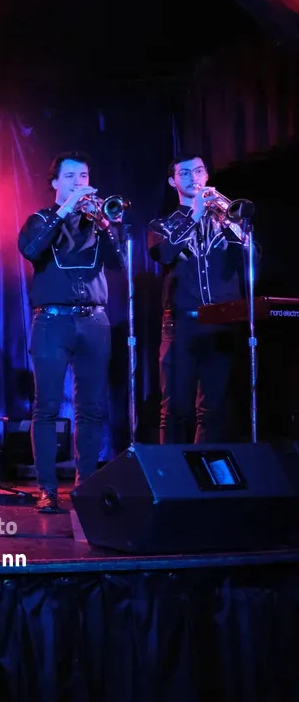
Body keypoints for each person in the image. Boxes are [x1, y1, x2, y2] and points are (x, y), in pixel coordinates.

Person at [18, 152, 125, 513]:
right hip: (52, 321)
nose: (79, 182)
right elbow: (31, 250)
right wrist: (67, 210)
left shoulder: (98, 222)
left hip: (94, 320)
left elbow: (119, 264)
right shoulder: (40, 219)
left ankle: (86, 484)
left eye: (84, 175)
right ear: (55, 184)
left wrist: (108, 226)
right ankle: (47, 489)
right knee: (46, 407)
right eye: (70, 177)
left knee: (91, 408)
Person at [148, 154, 258, 444]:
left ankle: (205, 478)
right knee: (174, 408)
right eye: (184, 173)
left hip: (222, 323)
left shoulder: (226, 220)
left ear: (207, 176)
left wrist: (234, 225)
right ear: (173, 181)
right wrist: (196, 214)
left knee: (214, 409)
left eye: (198, 171)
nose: (193, 177)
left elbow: (253, 260)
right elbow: (164, 254)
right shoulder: (162, 224)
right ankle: (171, 482)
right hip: (181, 324)